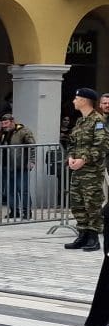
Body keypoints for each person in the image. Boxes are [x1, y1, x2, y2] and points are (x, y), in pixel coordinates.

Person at [65, 88, 107, 251]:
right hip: (78, 171)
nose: (74, 101)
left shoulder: (98, 121)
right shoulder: (80, 122)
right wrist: (70, 158)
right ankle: (82, 235)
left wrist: (84, 160)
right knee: (77, 203)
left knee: (92, 203)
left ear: (84, 100)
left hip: (92, 172)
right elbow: (72, 143)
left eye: (77, 98)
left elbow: (102, 146)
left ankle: (93, 238)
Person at [0, 112, 36, 219]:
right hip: (5, 166)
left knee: (23, 190)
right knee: (9, 190)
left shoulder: (23, 131)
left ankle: (27, 212)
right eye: (3, 123)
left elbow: (33, 146)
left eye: (6, 123)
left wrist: (31, 160)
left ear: (13, 122)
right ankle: (14, 211)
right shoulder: (2, 133)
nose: (4, 125)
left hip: (19, 165)